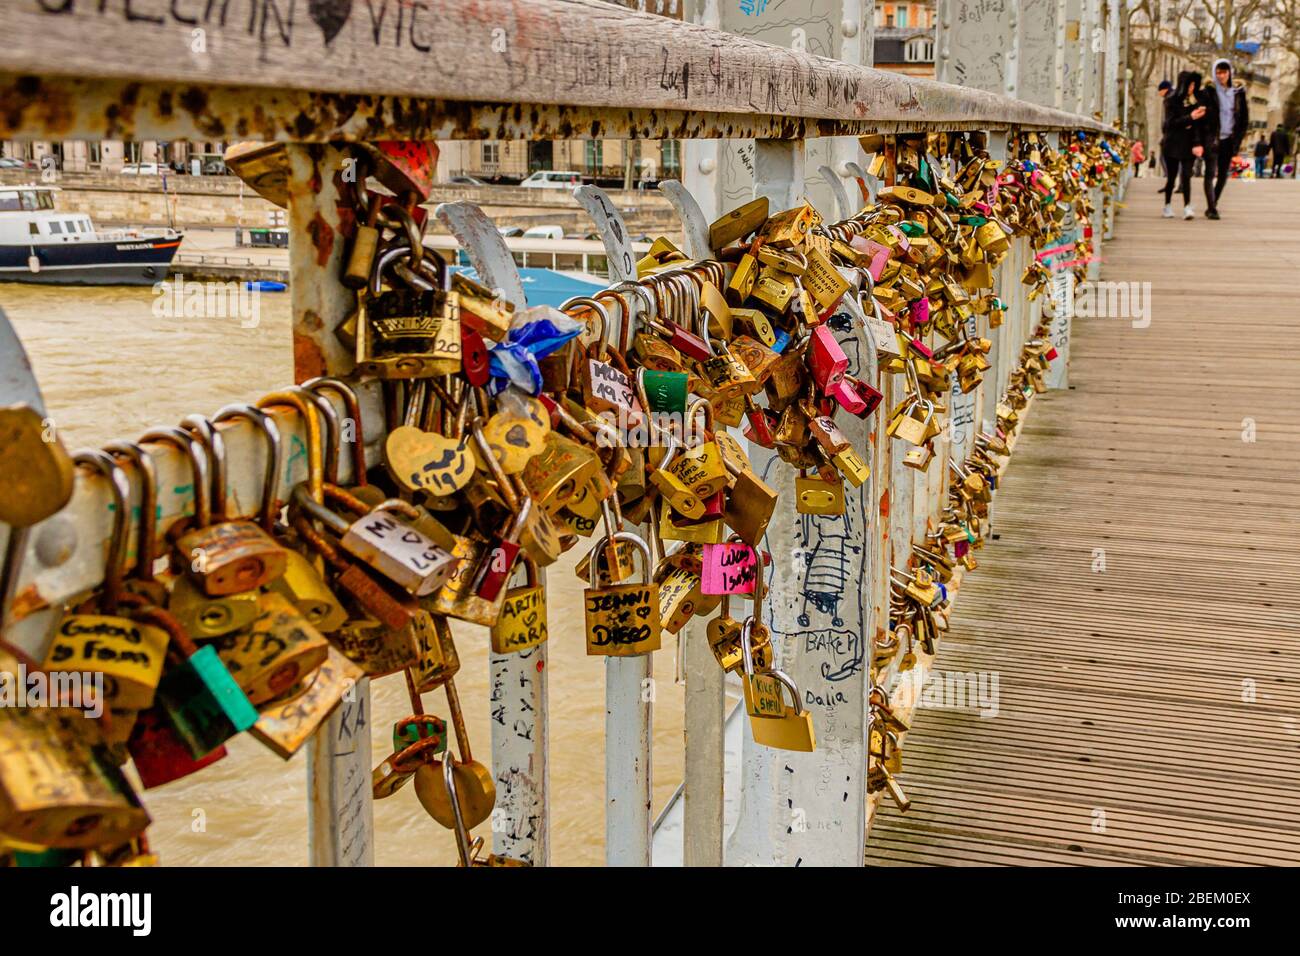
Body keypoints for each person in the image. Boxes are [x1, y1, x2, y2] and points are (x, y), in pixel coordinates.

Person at [1197, 58, 1248, 220]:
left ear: (1229, 73)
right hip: (1212, 138)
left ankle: (1214, 202)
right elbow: (1200, 118)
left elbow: (1244, 118)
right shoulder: (1208, 92)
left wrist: (1238, 139)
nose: (1221, 76)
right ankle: (1212, 208)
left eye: (1224, 72)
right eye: (1218, 72)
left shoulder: (1238, 93)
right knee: (1210, 173)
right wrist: (1199, 140)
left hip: (1229, 139)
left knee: (1223, 175)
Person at [1162, 71, 1204, 219]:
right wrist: (1189, 118)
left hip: (1188, 143)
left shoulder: (1194, 101)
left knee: (1186, 175)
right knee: (1172, 177)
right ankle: (1167, 204)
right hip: (1172, 143)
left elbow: (1197, 126)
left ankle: (1187, 206)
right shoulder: (1171, 100)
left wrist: (1198, 143)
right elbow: (1169, 124)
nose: (1192, 88)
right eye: (1190, 84)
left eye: (1194, 85)